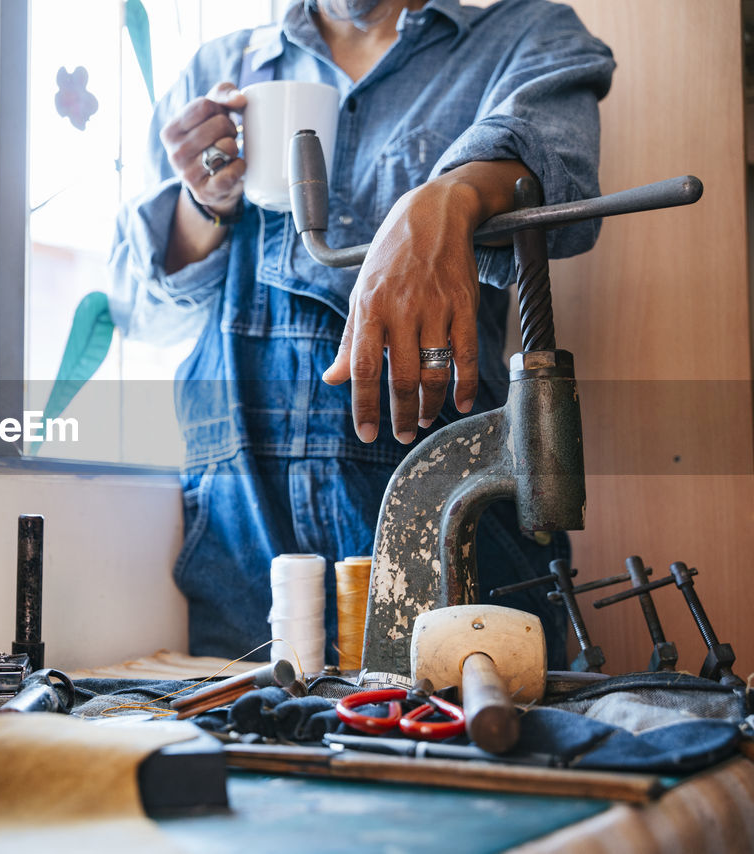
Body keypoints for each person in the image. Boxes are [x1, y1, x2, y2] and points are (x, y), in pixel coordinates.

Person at [107, 0, 614, 667]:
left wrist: (447, 199)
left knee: (473, 743)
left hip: (446, 526)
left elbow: (563, 186)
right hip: (245, 537)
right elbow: (143, 316)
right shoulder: (220, 70)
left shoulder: (525, 35)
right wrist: (205, 202)